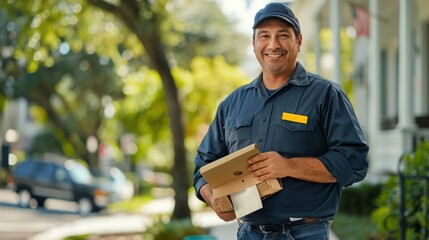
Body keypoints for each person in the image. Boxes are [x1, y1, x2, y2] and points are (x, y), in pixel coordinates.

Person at [193, 2, 369, 240]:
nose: (273, 45)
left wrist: (289, 166)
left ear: (298, 42)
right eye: (264, 36)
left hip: (305, 233)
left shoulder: (326, 94)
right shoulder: (232, 103)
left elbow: (354, 162)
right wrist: (212, 197)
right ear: (254, 44)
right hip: (249, 233)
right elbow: (203, 165)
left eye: (283, 36)